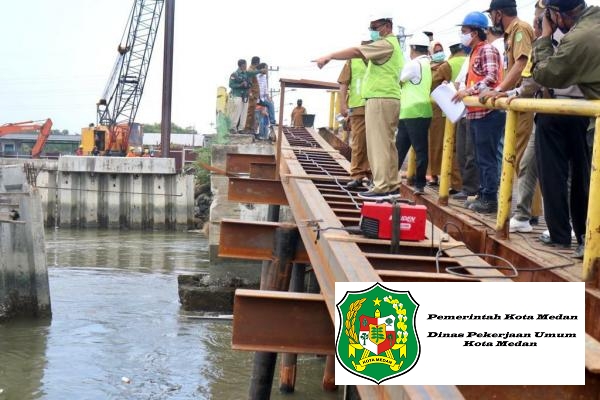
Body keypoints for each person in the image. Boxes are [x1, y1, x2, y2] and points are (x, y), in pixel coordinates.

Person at [531, 0, 600, 258]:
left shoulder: (578, 37)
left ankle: (575, 236)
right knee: (583, 177)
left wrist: (544, 38)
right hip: (584, 113)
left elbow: (545, 74)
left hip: (574, 111)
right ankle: (583, 236)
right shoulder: (591, 24)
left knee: (560, 176)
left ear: (558, 14)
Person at [314, 11, 404, 199]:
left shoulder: (385, 44)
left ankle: (382, 186)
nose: (373, 31)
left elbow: (356, 51)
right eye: (371, 28)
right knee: (386, 144)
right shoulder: (391, 45)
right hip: (387, 98)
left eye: (376, 27)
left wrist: (329, 55)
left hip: (381, 99)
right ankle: (391, 185)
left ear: (387, 26)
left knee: (378, 145)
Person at [481, 0, 540, 226]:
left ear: (498, 14)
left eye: (492, 15)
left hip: (524, 98)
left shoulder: (519, 29)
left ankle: (530, 211)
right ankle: (529, 209)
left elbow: (522, 63)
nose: (491, 19)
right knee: (518, 154)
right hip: (516, 96)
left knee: (523, 154)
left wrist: (499, 90)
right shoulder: (511, 33)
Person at [452, 11, 504, 214]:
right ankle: (483, 194)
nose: (462, 35)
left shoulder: (487, 50)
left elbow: (492, 77)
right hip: (475, 112)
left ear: (475, 33)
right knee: (480, 157)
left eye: (464, 31)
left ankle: (490, 198)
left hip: (487, 113)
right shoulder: (474, 51)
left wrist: (469, 91)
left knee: (487, 158)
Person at [396, 33, 433, 195]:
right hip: (420, 111)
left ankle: (392, 180)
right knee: (420, 149)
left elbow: (398, 80)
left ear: (413, 48)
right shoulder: (427, 64)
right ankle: (419, 185)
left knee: (400, 148)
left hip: (411, 112)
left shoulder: (413, 64)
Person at [337, 40, 371, 189]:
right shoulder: (352, 60)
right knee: (358, 142)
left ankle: (371, 175)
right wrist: (343, 105)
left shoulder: (380, 58)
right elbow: (343, 83)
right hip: (357, 107)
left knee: (375, 143)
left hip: (376, 105)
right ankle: (357, 176)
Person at [427, 40, 452, 188]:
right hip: (428, 110)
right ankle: (432, 174)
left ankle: (439, 175)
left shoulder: (445, 67)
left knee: (440, 142)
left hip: (441, 110)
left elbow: (449, 83)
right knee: (430, 143)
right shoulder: (427, 68)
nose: (438, 53)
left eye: (440, 50)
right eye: (435, 51)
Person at [244, 56, 261, 132]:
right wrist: (250, 94)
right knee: (250, 113)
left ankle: (250, 128)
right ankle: (247, 128)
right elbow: (249, 83)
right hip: (252, 95)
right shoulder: (250, 70)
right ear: (257, 63)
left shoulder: (253, 70)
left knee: (252, 113)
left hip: (254, 95)